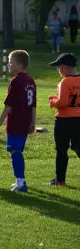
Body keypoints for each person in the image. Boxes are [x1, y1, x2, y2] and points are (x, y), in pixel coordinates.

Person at [0, 50, 37, 193]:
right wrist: (33, 122)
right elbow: (33, 104)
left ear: (20, 65)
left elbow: (8, 105)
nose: (8, 65)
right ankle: (20, 180)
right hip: (26, 120)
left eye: (11, 62)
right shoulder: (30, 81)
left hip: (16, 121)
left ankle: (21, 182)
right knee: (17, 150)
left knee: (14, 151)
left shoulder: (16, 81)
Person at [48, 53, 80, 185]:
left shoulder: (65, 82)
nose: (58, 69)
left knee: (61, 150)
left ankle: (60, 180)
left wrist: (52, 101)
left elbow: (62, 102)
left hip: (64, 120)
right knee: (79, 147)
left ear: (67, 67)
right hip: (79, 119)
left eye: (59, 66)